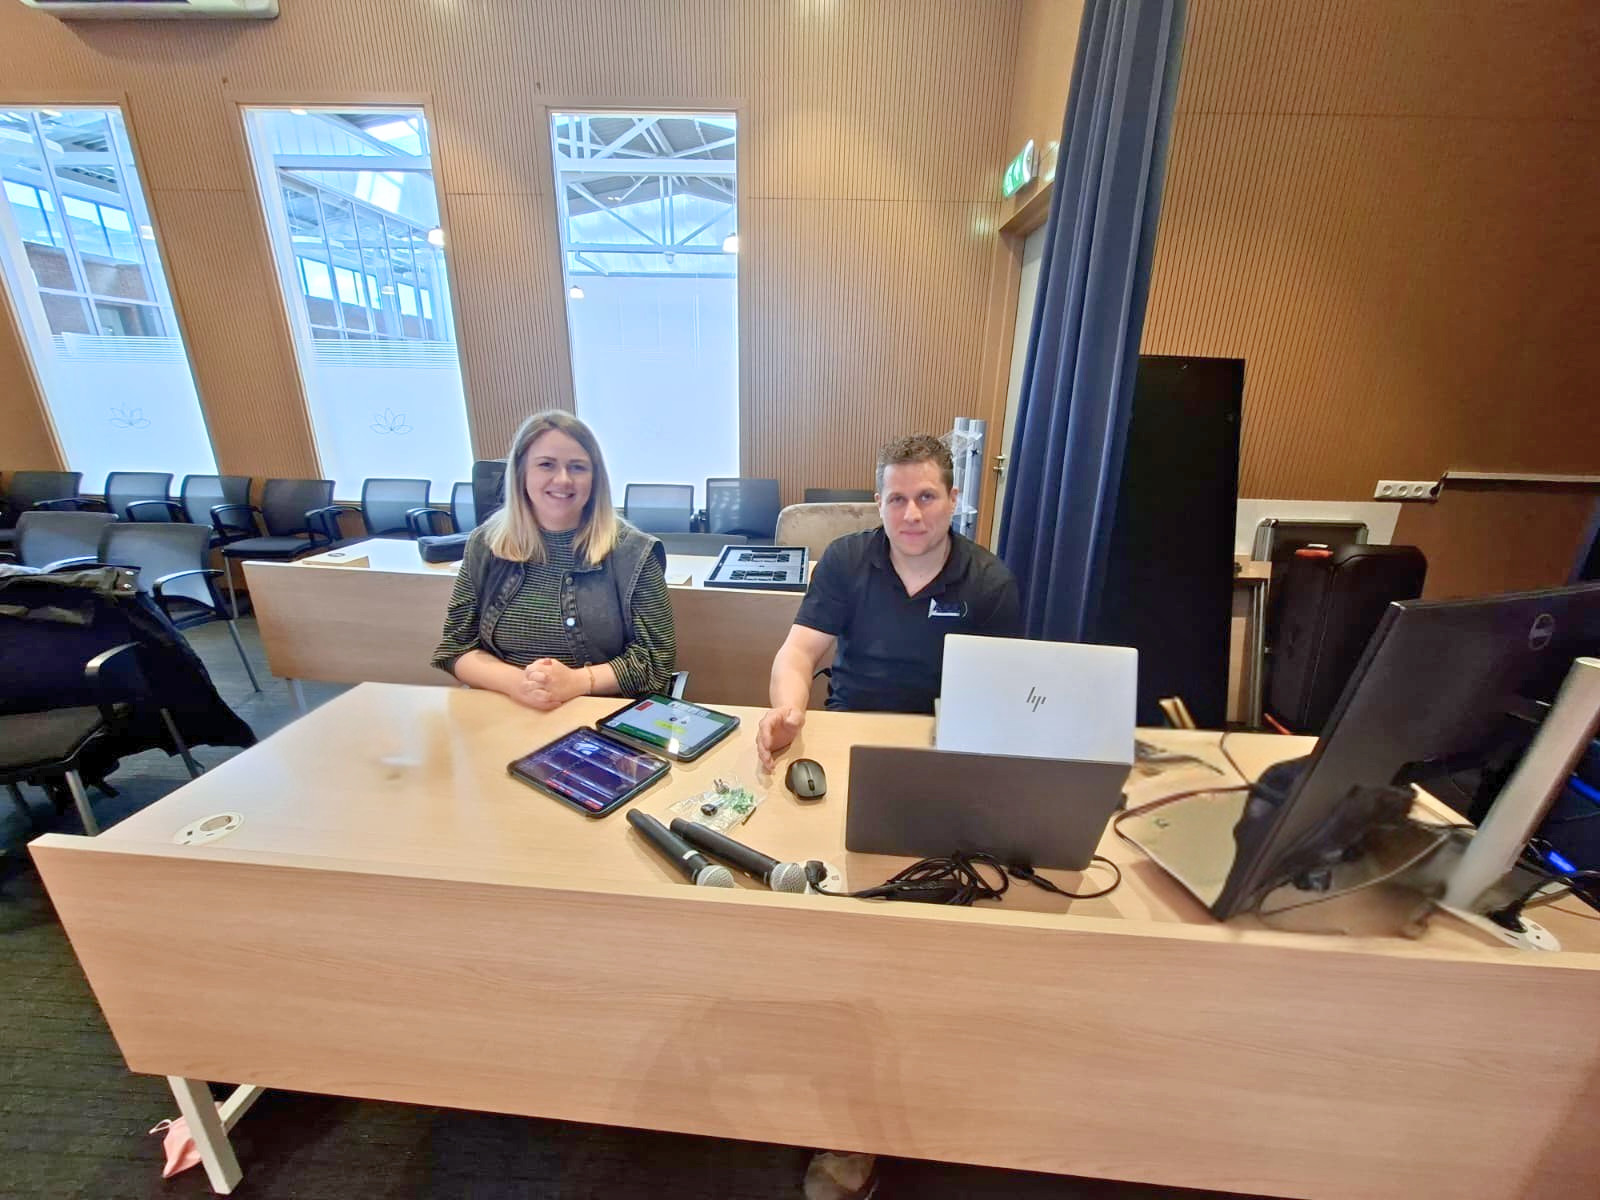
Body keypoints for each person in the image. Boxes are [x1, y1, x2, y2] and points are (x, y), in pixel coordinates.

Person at [757, 433, 1021, 771]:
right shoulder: (844, 559)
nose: (912, 514)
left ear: (953, 500)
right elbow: (798, 653)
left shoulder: (990, 582)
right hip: (850, 729)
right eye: (897, 499)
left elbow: (998, 694)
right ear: (879, 504)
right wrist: (789, 711)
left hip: (942, 742)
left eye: (926, 497)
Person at [432, 410, 675, 708]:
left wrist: (578, 682)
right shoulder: (485, 544)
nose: (563, 479)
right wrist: (519, 685)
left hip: (598, 712)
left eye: (578, 467)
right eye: (546, 464)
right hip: (504, 707)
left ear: (595, 479)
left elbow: (655, 661)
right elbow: (457, 647)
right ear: (521, 473)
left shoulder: (634, 553)